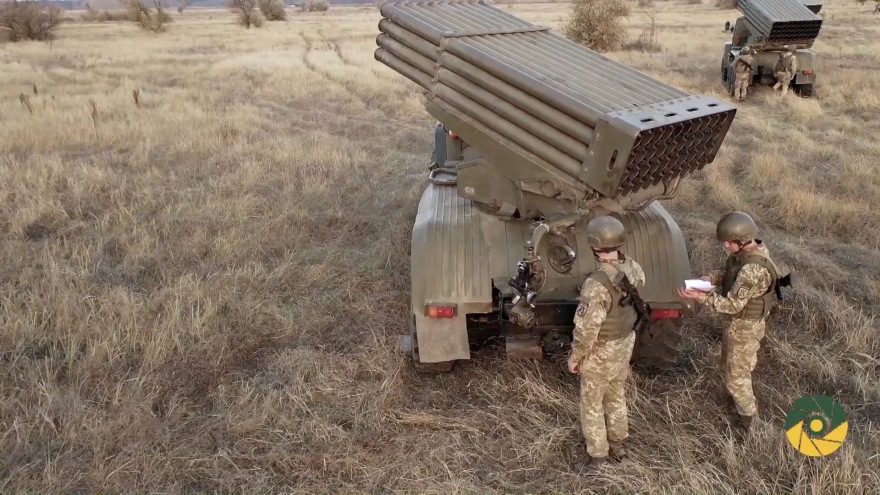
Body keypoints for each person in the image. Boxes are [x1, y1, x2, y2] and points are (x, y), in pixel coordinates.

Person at [677, 211, 785, 436]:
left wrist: (701, 297)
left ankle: (747, 424)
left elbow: (733, 305)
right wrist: (709, 279)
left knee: (737, 376)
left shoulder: (752, 269)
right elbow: (728, 272)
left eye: (729, 242)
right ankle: (738, 401)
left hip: (744, 327)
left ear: (743, 240)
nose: (726, 246)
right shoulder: (746, 254)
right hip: (739, 326)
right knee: (732, 366)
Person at [568, 214, 646, 473]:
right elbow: (640, 284)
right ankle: (619, 445)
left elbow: (586, 330)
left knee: (591, 403)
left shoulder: (596, 284)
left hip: (601, 350)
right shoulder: (632, 268)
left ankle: (598, 458)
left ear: (593, 247)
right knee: (616, 394)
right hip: (625, 342)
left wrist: (575, 357)